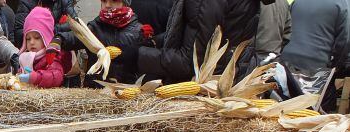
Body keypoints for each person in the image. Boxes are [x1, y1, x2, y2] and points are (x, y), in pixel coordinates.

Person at [117, 0, 270, 84]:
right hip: (234, 75)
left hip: (211, 88)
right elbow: (199, 35)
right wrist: (154, 42)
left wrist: (137, 55)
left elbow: (191, 63)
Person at [55, 0, 145, 85]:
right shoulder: (95, 28)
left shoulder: (138, 30)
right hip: (96, 90)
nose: (107, 5)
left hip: (126, 92)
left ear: (125, 3)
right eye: (104, 1)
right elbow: (78, 37)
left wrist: (151, 41)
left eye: (114, 1)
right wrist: (60, 39)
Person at [281, 0, 348, 74]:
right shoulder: (344, 4)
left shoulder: (297, 2)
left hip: (285, 61)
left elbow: (285, 29)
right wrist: (336, 67)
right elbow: (345, 41)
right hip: (316, 66)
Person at [16, 7, 68, 88]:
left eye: (37, 38)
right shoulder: (25, 57)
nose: (32, 42)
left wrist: (36, 77)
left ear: (46, 37)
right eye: (28, 39)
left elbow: (56, 77)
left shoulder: (51, 57)